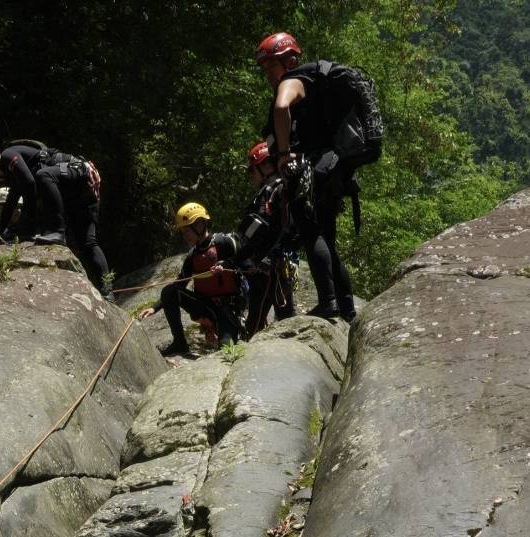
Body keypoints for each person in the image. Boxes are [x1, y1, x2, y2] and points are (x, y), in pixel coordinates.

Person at [257, 31, 377, 321]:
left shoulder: (292, 80)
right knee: (325, 236)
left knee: (312, 233)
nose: (267, 74)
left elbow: (281, 106)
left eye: (270, 66)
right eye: (264, 68)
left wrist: (284, 155)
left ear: (289, 61)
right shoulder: (315, 83)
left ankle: (329, 301)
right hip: (332, 166)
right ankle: (346, 307)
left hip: (314, 169)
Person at [0, 144, 114, 299]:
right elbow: (11, 200)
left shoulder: (8, 155)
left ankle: (58, 232)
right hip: (80, 187)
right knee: (88, 242)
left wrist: (25, 230)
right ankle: (108, 292)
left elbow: (29, 185)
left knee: (44, 175)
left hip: (77, 174)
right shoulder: (15, 174)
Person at [141, 202, 245, 357]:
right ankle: (179, 343)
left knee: (227, 352)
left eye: (186, 231)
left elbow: (245, 259)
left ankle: (228, 331)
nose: (185, 236)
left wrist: (227, 264)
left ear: (200, 224)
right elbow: (179, 284)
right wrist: (155, 307)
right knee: (169, 291)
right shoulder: (192, 256)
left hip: (227, 310)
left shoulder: (224, 242)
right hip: (205, 306)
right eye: (182, 232)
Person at [236, 140, 298, 334]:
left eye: (252, 170)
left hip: (271, 264)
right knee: (280, 312)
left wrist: (254, 257)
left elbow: (270, 230)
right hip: (274, 262)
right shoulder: (273, 191)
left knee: (258, 314)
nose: (251, 175)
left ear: (267, 165)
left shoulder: (275, 191)